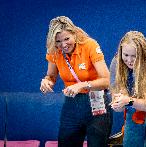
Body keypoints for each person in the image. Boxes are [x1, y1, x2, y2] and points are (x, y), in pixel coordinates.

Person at [39, 16, 112, 147]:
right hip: (72, 104)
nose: (63, 44)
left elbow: (107, 80)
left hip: (97, 102)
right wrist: (46, 81)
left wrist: (83, 85)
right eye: (58, 41)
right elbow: (51, 76)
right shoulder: (54, 51)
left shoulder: (89, 45)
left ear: (74, 33)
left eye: (67, 39)